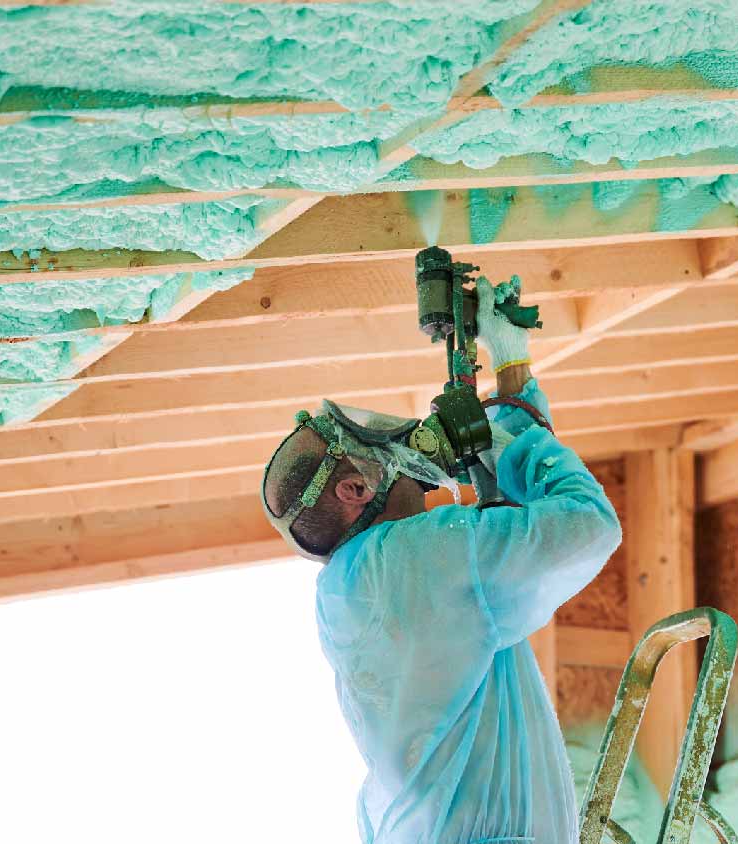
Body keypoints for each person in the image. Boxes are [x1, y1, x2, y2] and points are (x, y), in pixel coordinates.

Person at [261, 275, 623, 844]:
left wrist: (509, 367)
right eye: (380, 446)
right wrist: (510, 434)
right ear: (355, 491)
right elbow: (586, 526)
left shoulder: (350, 589)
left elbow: (498, 537)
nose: (405, 447)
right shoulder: (415, 558)